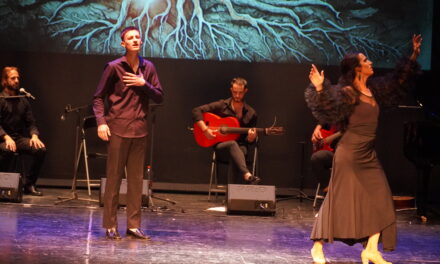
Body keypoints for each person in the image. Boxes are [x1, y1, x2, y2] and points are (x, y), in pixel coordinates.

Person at [305, 34, 422, 264]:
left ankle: (370, 249)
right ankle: (317, 246)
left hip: (368, 155)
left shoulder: (374, 90)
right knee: (337, 200)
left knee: (382, 200)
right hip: (349, 153)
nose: (370, 63)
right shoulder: (348, 92)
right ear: (357, 69)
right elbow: (329, 109)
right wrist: (319, 88)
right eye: (366, 60)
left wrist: (415, 54)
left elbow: (400, 80)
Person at [93, 26, 164, 240]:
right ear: (123, 43)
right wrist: (101, 122)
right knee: (114, 179)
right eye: (130, 38)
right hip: (117, 128)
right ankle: (110, 225)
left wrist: (144, 85)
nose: (135, 40)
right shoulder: (114, 67)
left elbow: (160, 96)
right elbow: (98, 98)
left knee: (136, 181)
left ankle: (133, 225)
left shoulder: (148, 67)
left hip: (139, 129)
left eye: (137, 37)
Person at [192, 77, 260, 184]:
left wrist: (251, 139)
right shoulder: (222, 105)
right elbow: (196, 110)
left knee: (238, 152)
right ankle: (247, 174)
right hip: (221, 147)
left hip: (241, 148)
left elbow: (248, 141)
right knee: (233, 145)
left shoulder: (251, 113)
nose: (237, 95)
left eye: (240, 93)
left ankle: (231, 195)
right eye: (235, 92)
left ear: (246, 91)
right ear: (231, 90)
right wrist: (205, 129)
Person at [0, 66, 46, 196]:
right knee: (7, 150)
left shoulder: (23, 101)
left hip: (18, 139)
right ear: (5, 81)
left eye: (17, 78)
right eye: (12, 78)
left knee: (40, 150)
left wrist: (34, 136)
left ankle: (29, 185)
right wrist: (6, 137)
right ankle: (4, 186)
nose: (16, 81)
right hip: (2, 139)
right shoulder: (1, 99)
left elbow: (31, 122)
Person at [310, 123, 338, 194]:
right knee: (317, 157)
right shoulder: (334, 116)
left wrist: (332, 137)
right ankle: (329, 189)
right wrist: (317, 130)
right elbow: (323, 120)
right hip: (335, 153)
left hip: (350, 152)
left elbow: (350, 129)